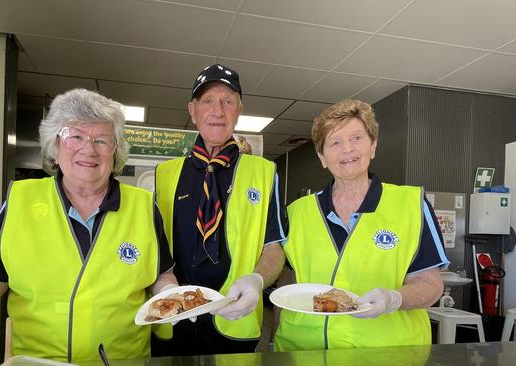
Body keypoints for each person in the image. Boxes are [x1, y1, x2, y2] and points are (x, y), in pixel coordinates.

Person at [0, 88, 178, 364]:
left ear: (115, 152)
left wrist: (171, 296)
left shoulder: (143, 206)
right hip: (36, 362)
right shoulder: (21, 201)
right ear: (55, 146)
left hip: (122, 361)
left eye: (102, 140)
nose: (89, 150)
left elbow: (160, 273)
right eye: (75, 136)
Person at [274, 99, 448, 350]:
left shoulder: (411, 205)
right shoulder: (296, 212)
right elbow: (287, 283)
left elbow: (431, 285)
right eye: (335, 142)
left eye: (356, 138)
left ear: (373, 146)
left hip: (387, 353)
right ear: (322, 157)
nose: (347, 150)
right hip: (303, 350)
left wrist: (394, 299)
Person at [152, 64, 286, 356]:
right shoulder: (164, 175)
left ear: (240, 109)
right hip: (174, 318)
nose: (218, 111)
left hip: (235, 317)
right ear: (193, 109)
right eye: (208, 101)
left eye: (228, 101)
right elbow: (153, 247)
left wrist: (257, 280)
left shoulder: (264, 173)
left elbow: (274, 246)